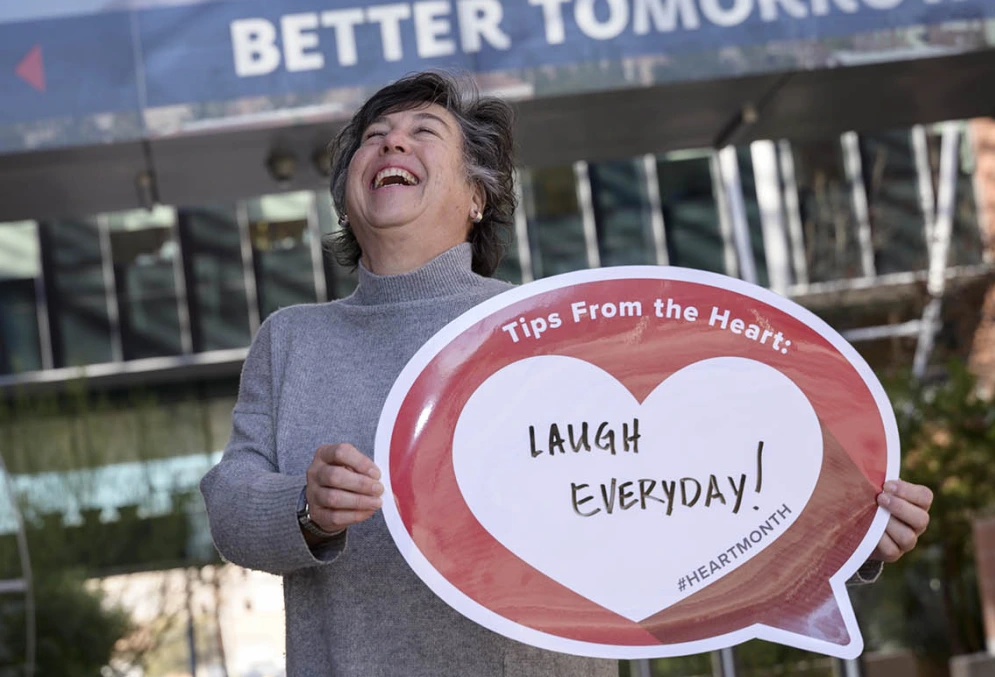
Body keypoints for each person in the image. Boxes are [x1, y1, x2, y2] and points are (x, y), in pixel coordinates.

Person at [199, 71, 934, 677]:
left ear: (478, 196)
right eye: (372, 138)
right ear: (346, 193)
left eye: (424, 133)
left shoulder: (562, 327)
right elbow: (231, 506)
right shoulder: (292, 339)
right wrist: (305, 505)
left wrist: (843, 535)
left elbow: (678, 493)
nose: (391, 140)